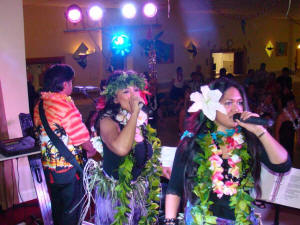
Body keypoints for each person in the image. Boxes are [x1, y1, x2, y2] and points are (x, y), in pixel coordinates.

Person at [165, 78, 291, 225]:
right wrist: (170, 221)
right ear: (211, 106)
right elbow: (174, 189)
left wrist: (260, 131)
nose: (236, 109)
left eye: (239, 102)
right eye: (228, 103)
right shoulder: (191, 142)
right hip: (201, 220)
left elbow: (283, 165)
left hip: (240, 220)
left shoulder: (248, 140)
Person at [83, 70, 162, 225]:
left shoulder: (140, 120)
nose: (134, 96)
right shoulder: (106, 121)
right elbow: (121, 149)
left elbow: (143, 151)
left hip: (138, 190)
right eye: (126, 91)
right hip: (116, 198)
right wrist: (135, 114)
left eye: (136, 90)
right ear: (115, 98)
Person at [33, 64, 101, 225]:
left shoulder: (40, 105)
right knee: (72, 210)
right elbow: (82, 138)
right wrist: (92, 150)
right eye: (71, 82)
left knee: (58, 206)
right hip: (68, 169)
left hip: (50, 167)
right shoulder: (64, 106)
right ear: (65, 84)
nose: (72, 85)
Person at [275, 94, 300, 163]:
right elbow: (277, 132)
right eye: (290, 104)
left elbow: (298, 127)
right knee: (285, 158)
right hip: (284, 140)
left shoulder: (296, 112)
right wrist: (278, 145)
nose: (292, 105)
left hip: (292, 139)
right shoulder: (282, 116)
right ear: (286, 104)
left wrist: (298, 137)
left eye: (293, 103)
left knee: (293, 157)